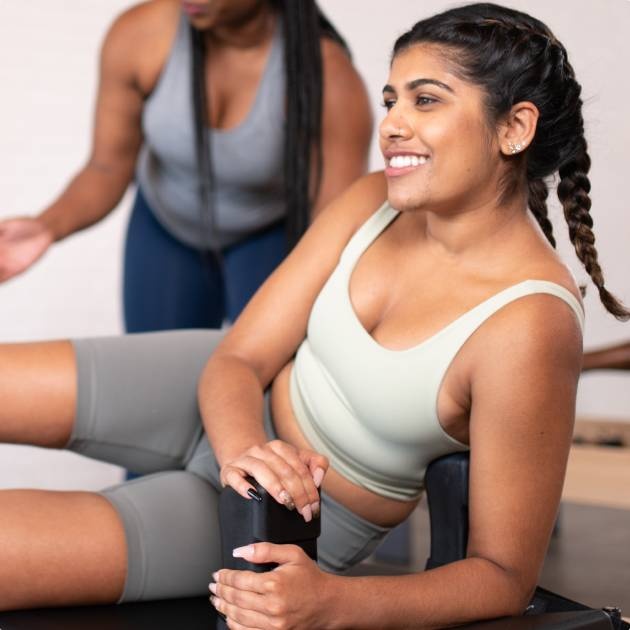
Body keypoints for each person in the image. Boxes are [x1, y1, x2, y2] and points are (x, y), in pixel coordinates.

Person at [1, 2, 628, 627]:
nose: (392, 125)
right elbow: (239, 357)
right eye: (392, 101)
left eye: (426, 101)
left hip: (281, 512)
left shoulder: (529, 323)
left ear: (514, 127)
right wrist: (246, 448)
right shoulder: (371, 201)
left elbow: (502, 577)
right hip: (222, 404)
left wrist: (333, 602)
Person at [0, 0, 371, 332]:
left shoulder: (330, 78)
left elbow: (333, 230)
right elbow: (106, 168)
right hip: (165, 228)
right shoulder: (141, 35)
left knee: (259, 385)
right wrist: (45, 227)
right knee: (153, 384)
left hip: (266, 237)